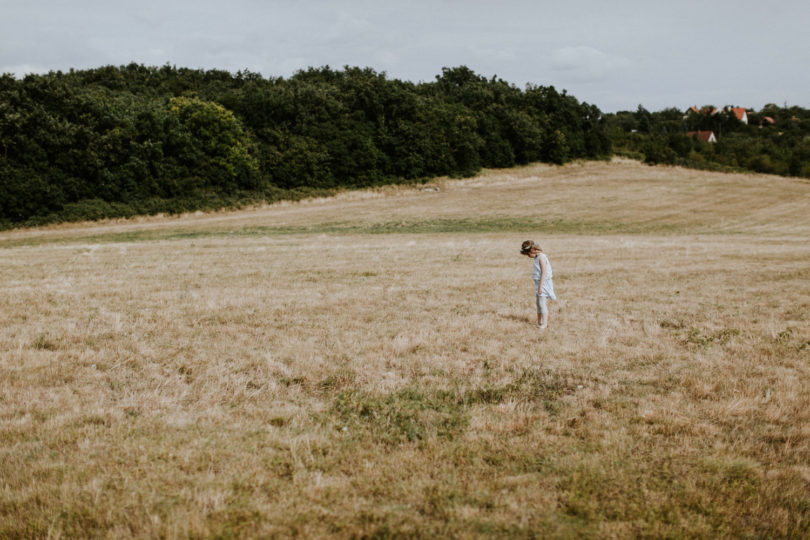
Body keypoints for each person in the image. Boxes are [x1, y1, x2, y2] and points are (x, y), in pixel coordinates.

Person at [520, 240, 556, 329]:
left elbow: (544, 272)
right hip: (539, 283)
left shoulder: (541, 258)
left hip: (543, 283)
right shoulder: (537, 257)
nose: (529, 257)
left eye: (528, 255)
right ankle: (539, 321)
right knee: (538, 303)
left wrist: (540, 287)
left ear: (532, 251)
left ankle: (545, 323)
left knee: (542, 303)